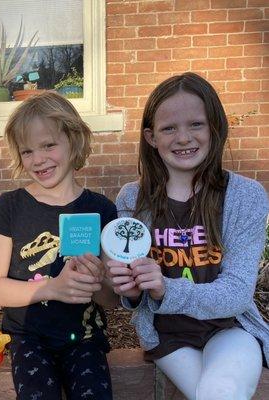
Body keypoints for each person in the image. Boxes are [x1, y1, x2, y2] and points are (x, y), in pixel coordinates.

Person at [109, 72, 269, 400]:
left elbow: (237, 292)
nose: (183, 138)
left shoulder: (246, 196)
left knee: (220, 391)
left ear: (215, 126)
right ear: (151, 137)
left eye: (196, 124)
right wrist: (129, 286)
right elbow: (132, 296)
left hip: (230, 328)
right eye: (169, 128)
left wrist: (166, 287)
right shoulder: (131, 199)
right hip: (167, 336)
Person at [0, 91, 119, 399]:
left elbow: (110, 300)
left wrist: (97, 280)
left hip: (84, 337)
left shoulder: (101, 209)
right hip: (29, 338)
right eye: (27, 151)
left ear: (74, 141)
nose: (39, 159)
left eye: (48, 145)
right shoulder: (11, 207)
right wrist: (52, 287)